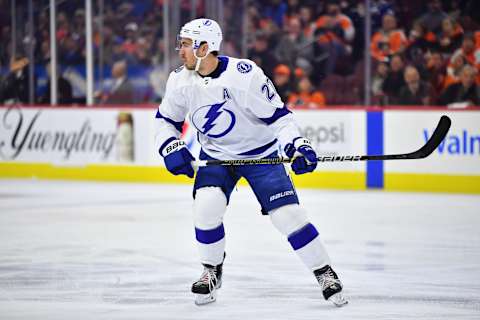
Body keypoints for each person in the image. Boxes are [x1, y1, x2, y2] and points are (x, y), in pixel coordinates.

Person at [155, 18, 347, 307]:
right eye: (181, 43)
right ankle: (211, 271)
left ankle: (324, 271)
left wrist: (297, 144)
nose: (180, 50)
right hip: (217, 157)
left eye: (185, 44)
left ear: (205, 47)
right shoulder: (180, 80)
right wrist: (169, 145)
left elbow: (279, 118)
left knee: (288, 216)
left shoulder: (244, 75)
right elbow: (166, 121)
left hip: (261, 155)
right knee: (206, 207)